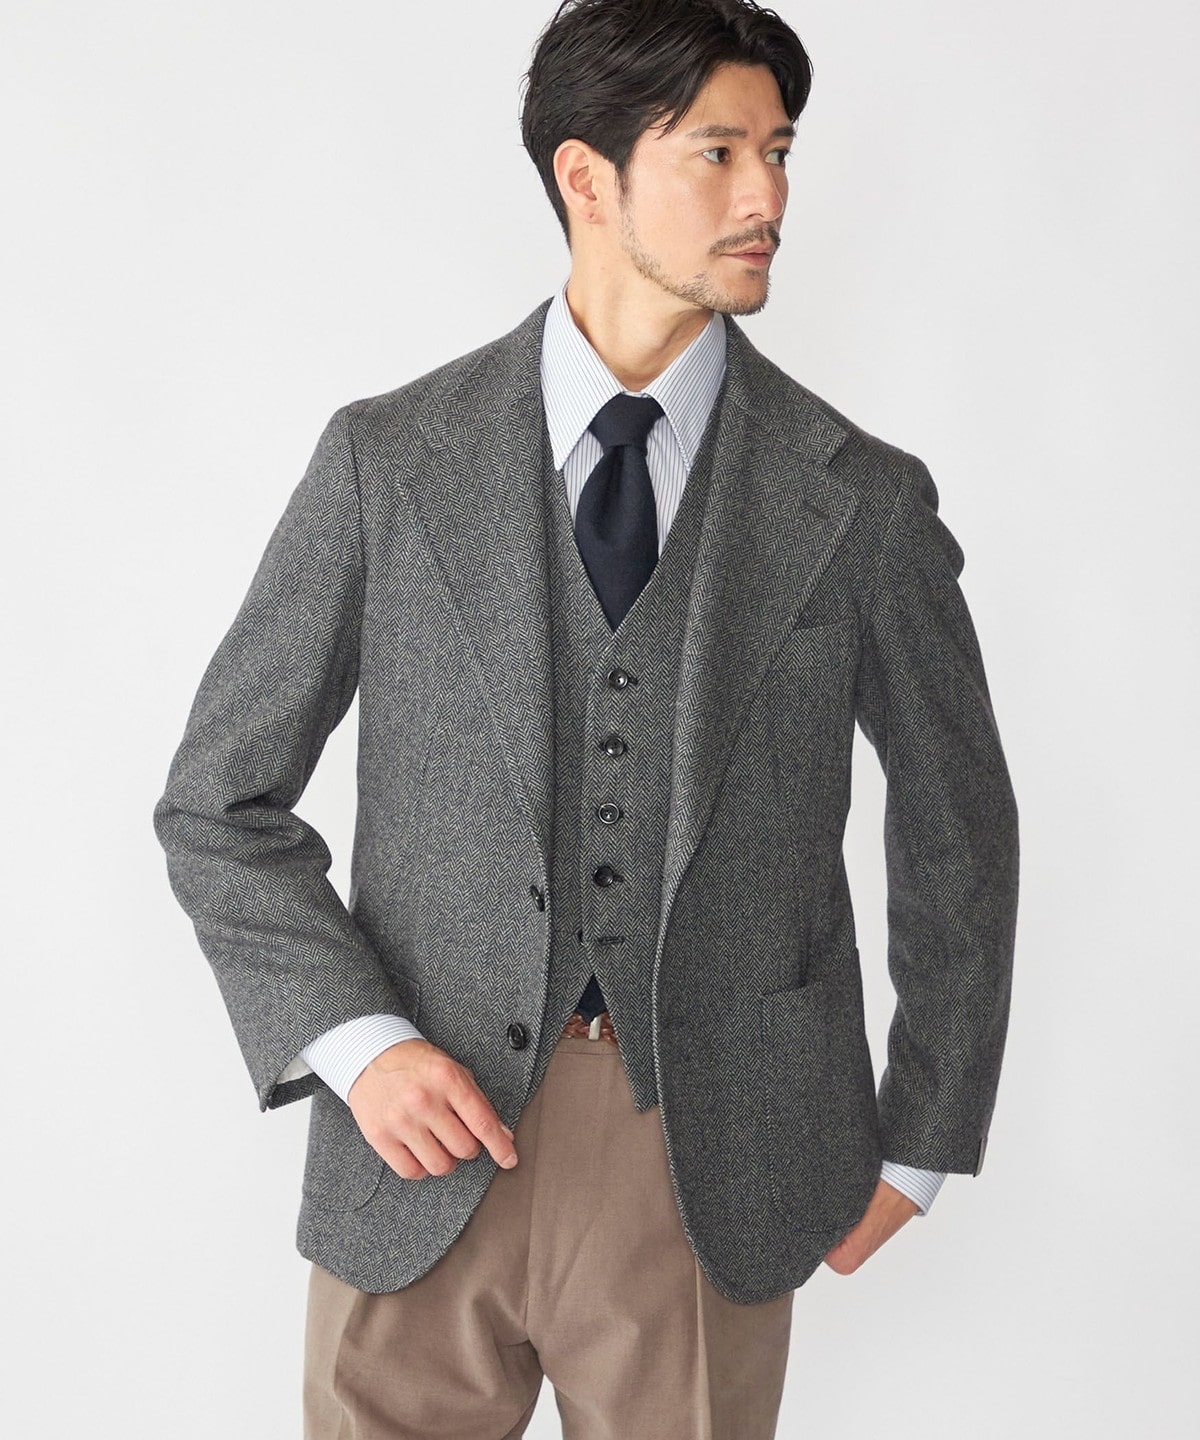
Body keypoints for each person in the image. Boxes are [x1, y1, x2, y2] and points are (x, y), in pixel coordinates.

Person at [154, 1, 1019, 1435]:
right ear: (586, 178)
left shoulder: (858, 498)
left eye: (781, 152)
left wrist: (926, 1132)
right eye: (719, 152)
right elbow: (217, 802)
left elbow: (958, 824)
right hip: (416, 1148)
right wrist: (357, 1043)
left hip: (710, 1159)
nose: (769, 197)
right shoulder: (388, 461)